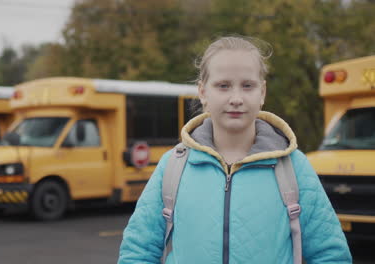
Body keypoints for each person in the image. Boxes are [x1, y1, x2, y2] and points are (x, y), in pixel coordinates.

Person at [118, 36, 352, 263]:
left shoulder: (293, 166)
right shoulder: (173, 165)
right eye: (223, 86)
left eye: (247, 86)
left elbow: (330, 255)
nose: (236, 98)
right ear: (203, 92)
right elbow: (137, 252)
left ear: (262, 93)